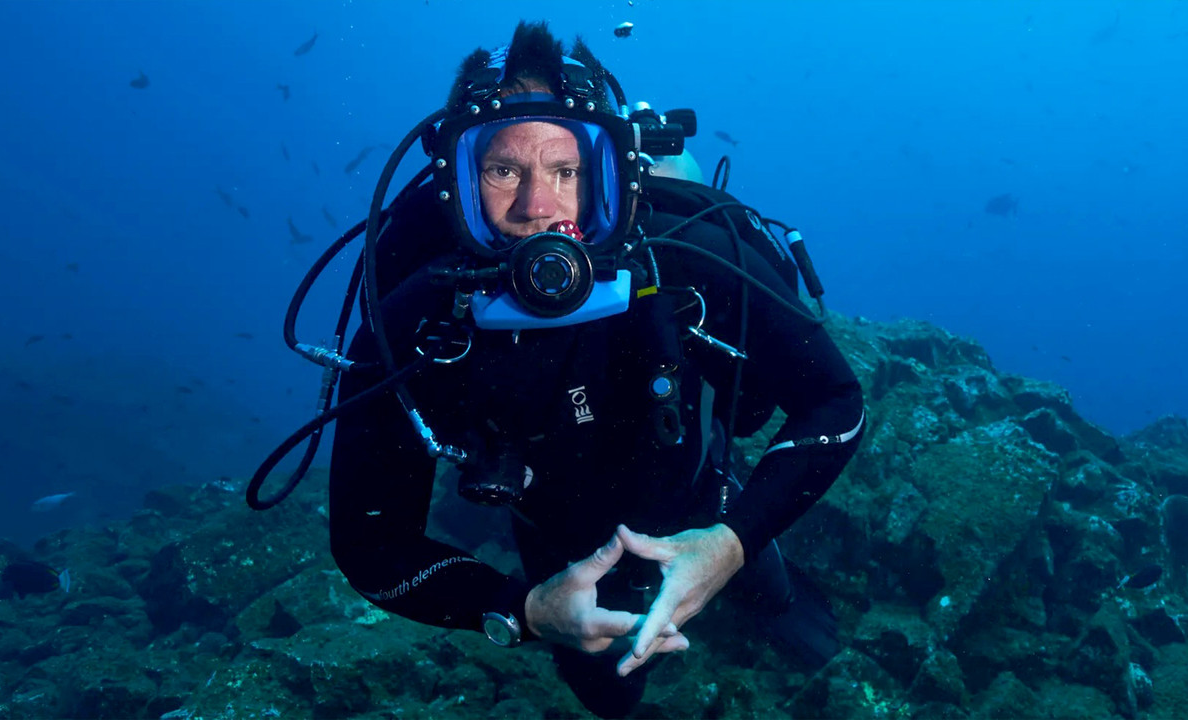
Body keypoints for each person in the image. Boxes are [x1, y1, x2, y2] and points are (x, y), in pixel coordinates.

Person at [326, 21, 864, 718]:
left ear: (609, 176)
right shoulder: (413, 326)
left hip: (698, 489)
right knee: (608, 695)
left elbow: (835, 399)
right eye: (501, 169)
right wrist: (522, 610)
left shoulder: (690, 265)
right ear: (455, 182)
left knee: (763, 581)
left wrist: (728, 547)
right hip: (554, 540)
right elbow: (368, 544)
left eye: (566, 170)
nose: (537, 207)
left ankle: (773, 597)